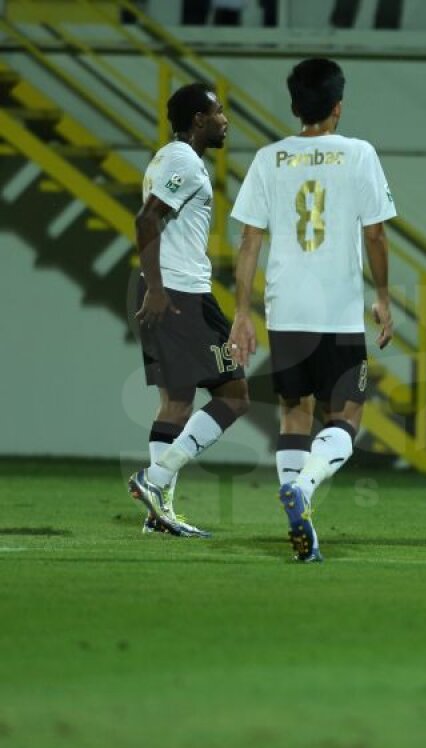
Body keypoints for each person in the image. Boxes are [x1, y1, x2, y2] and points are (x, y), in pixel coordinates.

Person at [228, 58, 395, 563]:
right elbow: (375, 233)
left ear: (295, 106)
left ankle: (298, 522)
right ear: (337, 107)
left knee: (293, 414)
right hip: (338, 310)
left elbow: (249, 242)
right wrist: (384, 297)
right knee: (346, 414)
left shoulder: (268, 159)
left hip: (286, 310)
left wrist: (241, 313)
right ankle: (304, 488)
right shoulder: (359, 154)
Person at [127, 83, 249, 538]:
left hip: (170, 291)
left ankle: (158, 514)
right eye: (218, 112)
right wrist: (157, 289)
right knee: (234, 395)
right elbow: (146, 219)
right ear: (198, 119)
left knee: (176, 402)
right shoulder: (181, 160)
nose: (225, 120)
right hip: (181, 296)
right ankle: (155, 482)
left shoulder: (169, 158)